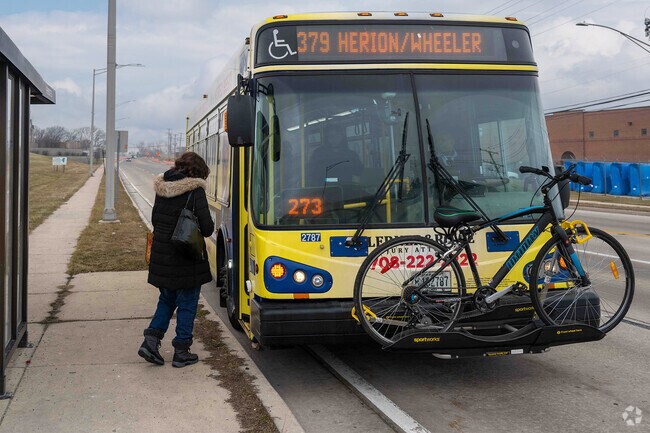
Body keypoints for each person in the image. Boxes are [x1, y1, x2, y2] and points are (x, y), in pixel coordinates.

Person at [138, 152, 215, 368]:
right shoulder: (195, 190)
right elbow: (207, 228)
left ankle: (151, 341)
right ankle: (182, 350)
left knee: (167, 299)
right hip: (186, 256)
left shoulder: (162, 188)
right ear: (199, 171)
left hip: (163, 256)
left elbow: (155, 220)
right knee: (188, 303)